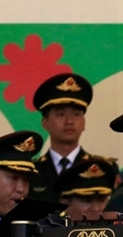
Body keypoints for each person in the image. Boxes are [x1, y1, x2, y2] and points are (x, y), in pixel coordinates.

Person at [29, 72, 118, 202]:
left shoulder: (103, 168)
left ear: (84, 123)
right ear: (45, 123)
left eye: (76, 114)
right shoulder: (31, 171)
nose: (69, 121)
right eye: (60, 114)